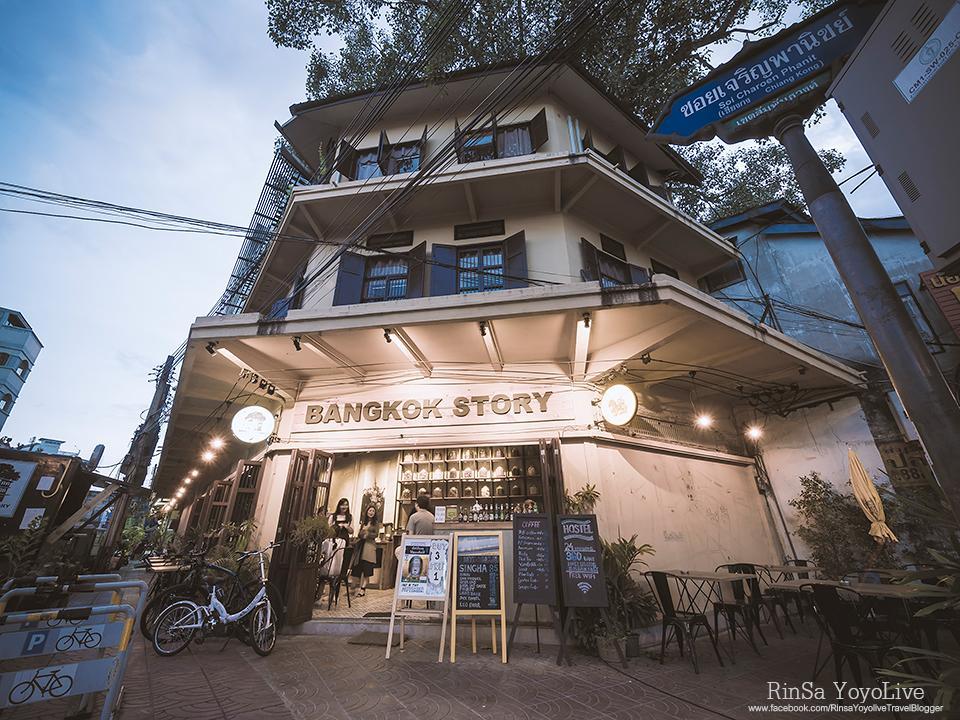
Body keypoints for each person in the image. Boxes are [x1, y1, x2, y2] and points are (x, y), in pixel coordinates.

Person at [351, 504, 380, 596]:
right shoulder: (363, 522)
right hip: (361, 547)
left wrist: (367, 534)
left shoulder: (376, 523)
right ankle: (356, 586)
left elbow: (375, 535)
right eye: (370, 510)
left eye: (373, 511)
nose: (371, 512)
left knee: (367, 568)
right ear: (367, 511)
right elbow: (359, 534)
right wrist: (362, 534)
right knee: (359, 566)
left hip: (370, 547)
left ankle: (363, 588)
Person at [323, 498, 354, 579]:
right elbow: (328, 530)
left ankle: (339, 580)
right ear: (339, 505)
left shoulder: (349, 517)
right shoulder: (333, 516)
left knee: (342, 561)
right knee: (332, 560)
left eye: (346, 504)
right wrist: (336, 527)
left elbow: (351, 531)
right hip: (334, 541)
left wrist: (347, 527)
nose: (345, 507)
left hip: (344, 541)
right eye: (343, 504)